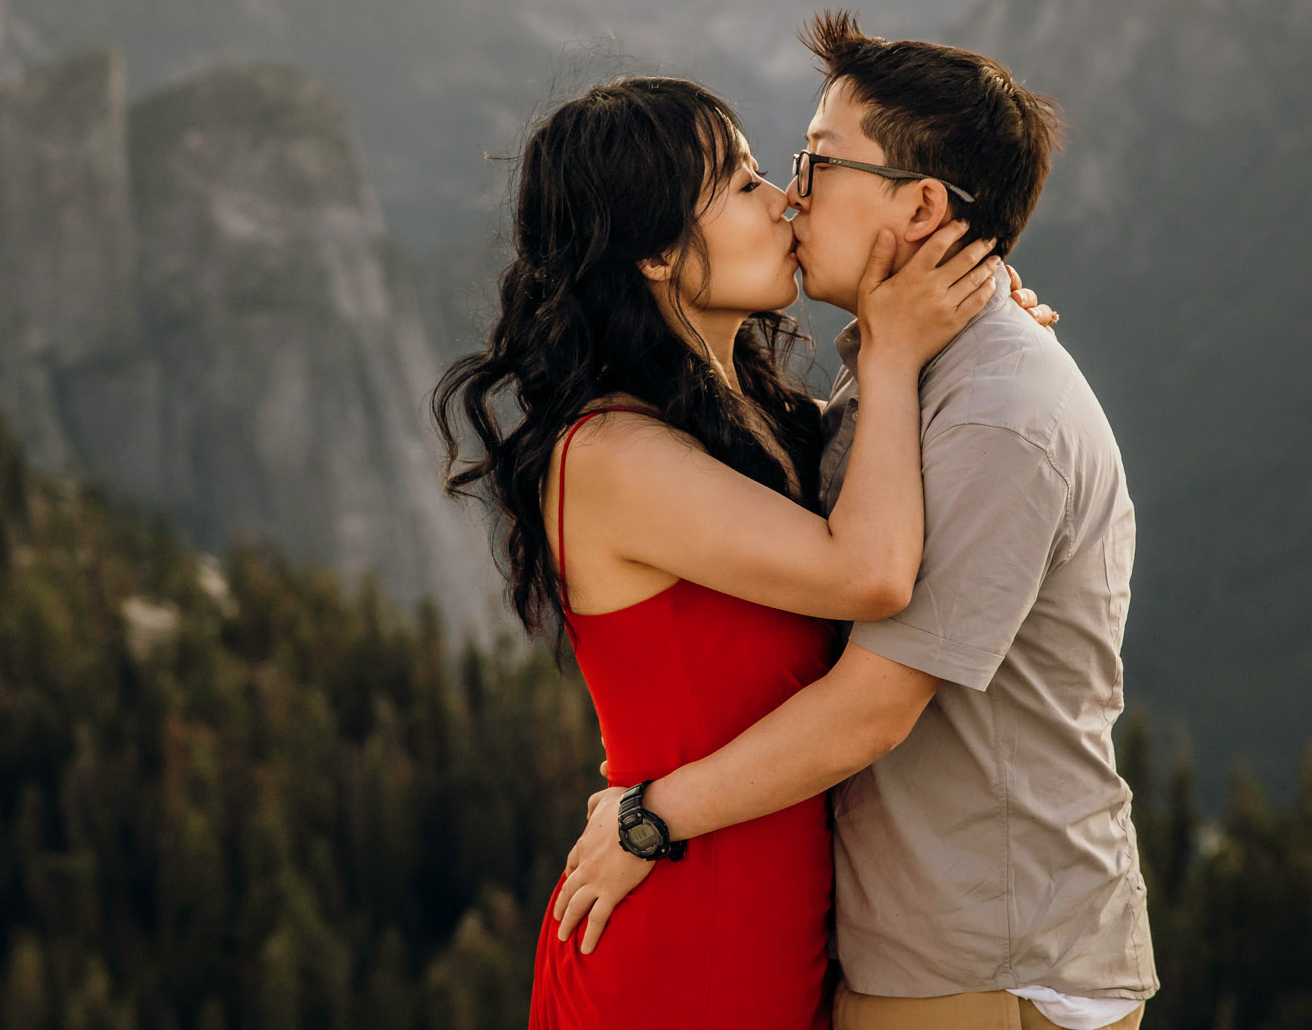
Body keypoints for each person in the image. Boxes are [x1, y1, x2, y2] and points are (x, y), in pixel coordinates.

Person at [553, 12, 1160, 1030]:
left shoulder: (989, 412)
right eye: (760, 175)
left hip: (975, 957)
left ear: (919, 206)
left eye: (811, 162)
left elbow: (873, 702)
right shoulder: (885, 388)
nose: (791, 194)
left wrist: (651, 816)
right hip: (854, 939)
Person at [432, 74, 1036, 1028]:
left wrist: (973, 343)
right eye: (744, 182)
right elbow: (870, 573)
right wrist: (889, 353)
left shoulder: (744, 421)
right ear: (658, 253)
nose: (786, 199)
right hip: (683, 931)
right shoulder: (610, 454)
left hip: (770, 915)